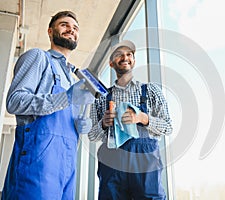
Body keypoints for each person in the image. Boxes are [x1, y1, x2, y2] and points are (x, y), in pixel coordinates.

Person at [1, 10, 94, 199]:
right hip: (37, 164)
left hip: (67, 167)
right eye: (64, 25)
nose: (71, 30)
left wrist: (80, 124)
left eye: (75, 28)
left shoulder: (72, 77)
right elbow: (14, 102)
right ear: (50, 32)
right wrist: (66, 98)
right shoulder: (38, 57)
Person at [88, 40, 173, 200]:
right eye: (119, 55)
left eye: (129, 54)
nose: (125, 57)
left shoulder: (151, 91)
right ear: (111, 63)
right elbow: (92, 136)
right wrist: (104, 124)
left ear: (134, 60)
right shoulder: (101, 97)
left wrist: (143, 118)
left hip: (144, 160)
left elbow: (168, 127)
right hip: (112, 161)